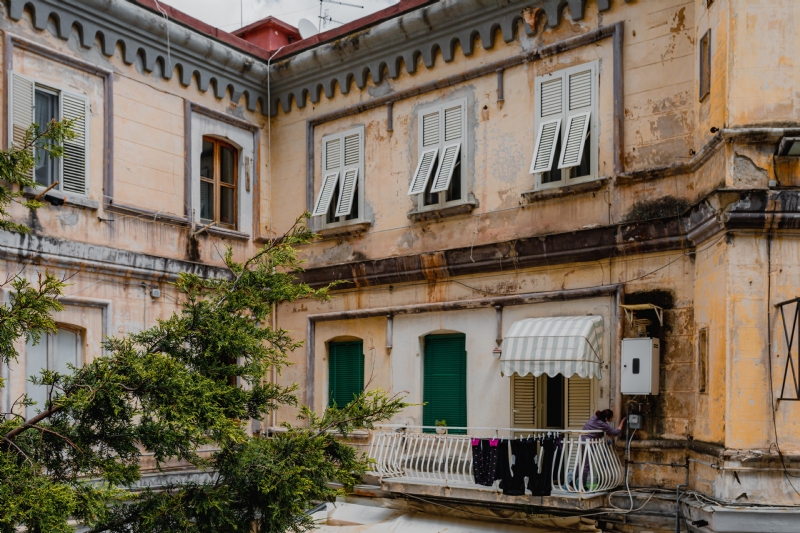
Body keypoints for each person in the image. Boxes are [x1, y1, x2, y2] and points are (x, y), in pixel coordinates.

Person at [576, 410, 626, 491]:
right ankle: (583, 486)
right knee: (586, 466)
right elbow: (614, 432)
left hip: (581, 441)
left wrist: (606, 431)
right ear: (607, 418)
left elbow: (598, 428)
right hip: (588, 444)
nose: (612, 418)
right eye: (612, 417)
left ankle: (572, 482)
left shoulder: (594, 418)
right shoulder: (602, 424)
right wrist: (621, 423)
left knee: (580, 464)